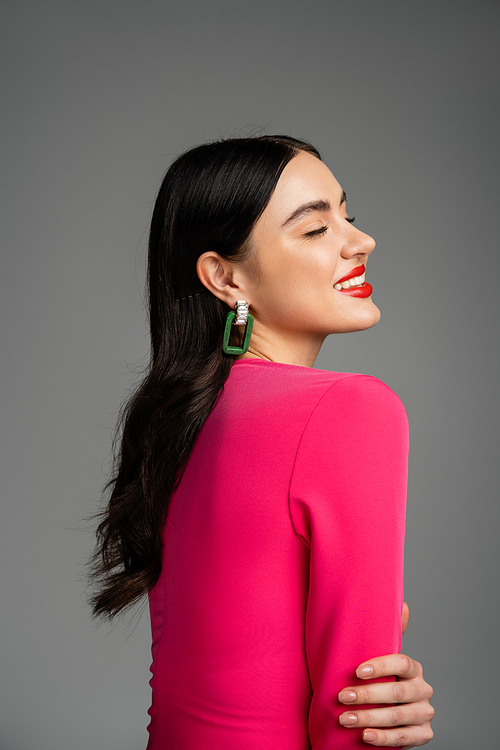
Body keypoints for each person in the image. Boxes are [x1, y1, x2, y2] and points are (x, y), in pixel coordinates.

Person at [89, 135, 434, 748]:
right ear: (224, 276)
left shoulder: (178, 419)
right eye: (314, 229)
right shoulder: (350, 409)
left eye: (346, 215)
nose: (360, 241)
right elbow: (354, 720)